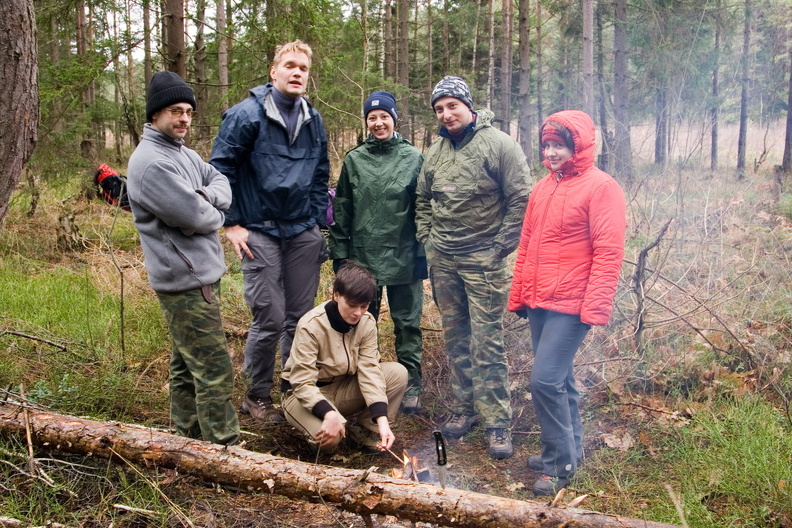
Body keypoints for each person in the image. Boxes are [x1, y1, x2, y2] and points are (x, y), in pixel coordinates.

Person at [210, 40, 330, 423]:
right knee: (270, 317)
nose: (297, 73)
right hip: (258, 230)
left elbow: (320, 175)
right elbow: (220, 170)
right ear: (273, 72)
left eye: (303, 68)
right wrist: (231, 223)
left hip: (300, 232)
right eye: (290, 66)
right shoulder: (246, 115)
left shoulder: (314, 120)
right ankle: (257, 396)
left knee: (301, 317)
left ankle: (295, 390)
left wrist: (313, 221)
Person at [508, 110, 626, 496]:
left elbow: (608, 252)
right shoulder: (544, 187)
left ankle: (558, 464)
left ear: (578, 146)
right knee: (560, 379)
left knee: (543, 381)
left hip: (573, 304)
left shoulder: (601, 187)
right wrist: (521, 293)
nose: (552, 151)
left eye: (559, 144)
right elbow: (527, 245)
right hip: (541, 299)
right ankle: (570, 450)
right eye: (547, 145)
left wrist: (594, 307)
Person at [415, 76, 531, 460]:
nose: (446, 114)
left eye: (452, 106)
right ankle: (464, 409)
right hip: (444, 260)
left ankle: (498, 421)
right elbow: (422, 198)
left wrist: (500, 248)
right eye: (439, 109)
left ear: (468, 105)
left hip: (485, 260)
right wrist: (428, 239)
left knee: (487, 341)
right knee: (456, 338)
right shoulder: (434, 151)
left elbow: (520, 199)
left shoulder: (499, 145)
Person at [126, 71, 240, 445]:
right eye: (176, 111)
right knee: (214, 369)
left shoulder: (182, 154)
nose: (184, 119)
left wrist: (203, 197)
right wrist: (210, 209)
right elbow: (196, 217)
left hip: (201, 276)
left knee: (186, 365)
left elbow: (222, 182)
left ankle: (186, 442)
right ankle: (224, 449)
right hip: (186, 281)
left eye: (189, 111)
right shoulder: (151, 163)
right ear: (156, 114)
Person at [328, 91, 426, 414]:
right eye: (372, 117)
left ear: (394, 119)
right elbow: (342, 211)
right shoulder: (355, 160)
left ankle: (411, 383)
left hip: (404, 257)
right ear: (366, 121)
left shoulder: (413, 158)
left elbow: (423, 210)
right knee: (358, 324)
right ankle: (359, 384)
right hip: (363, 260)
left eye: (384, 116)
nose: (378, 122)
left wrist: (423, 256)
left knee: (407, 323)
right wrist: (340, 258)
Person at [281, 262, 408, 453]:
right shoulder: (311, 325)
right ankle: (318, 427)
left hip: (342, 388)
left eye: (364, 306)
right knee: (330, 441)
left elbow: (370, 370)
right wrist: (328, 413)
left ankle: (363, 430)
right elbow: (301, 382)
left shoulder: (366, 322)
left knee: (397, 373)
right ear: (336, 295)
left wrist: (382, 420)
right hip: (302, 394)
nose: (358, 313)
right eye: (352, 305)